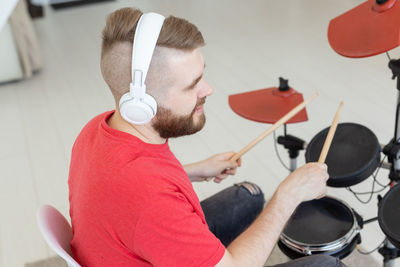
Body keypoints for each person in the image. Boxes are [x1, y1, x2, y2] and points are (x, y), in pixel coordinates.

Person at [68, 7, 345, 267]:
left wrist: (192, 170)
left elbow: (127, 194)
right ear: (143, 105)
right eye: (192, 85)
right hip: (153, 227)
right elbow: (147, 200)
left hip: (136, 242)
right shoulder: (151, 200)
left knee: (249, 196)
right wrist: (288, 196)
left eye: (202, 76)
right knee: (329, 264)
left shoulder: (97, 130)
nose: (208, 89)